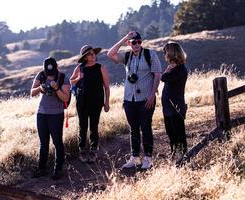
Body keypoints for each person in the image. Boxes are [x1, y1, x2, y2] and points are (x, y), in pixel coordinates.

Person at [107, 31, 162, 169]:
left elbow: (157, 74)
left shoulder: (150, 55)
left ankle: (148, 158)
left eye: (139, 42)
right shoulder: (127, 56)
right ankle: (135, 158)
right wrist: (124, 38)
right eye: (133, 42)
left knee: (146, 127)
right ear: (129, 44)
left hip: (145, 99)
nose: (136, 44)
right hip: (129, 99)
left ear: (141, 42)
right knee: (133, 129)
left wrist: (152, 94)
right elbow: (110, 54)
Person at [30, 57, 70, 180]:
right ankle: (42, 167)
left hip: (56, 114)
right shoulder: (41, 75)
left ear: (57, 67)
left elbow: (65, 99)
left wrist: (57, 88)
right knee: (43, 143)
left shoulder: (63, 78)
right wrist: (40, 88)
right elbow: (32, 92)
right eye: (48, 74)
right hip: (42, 113)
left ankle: (58, 169)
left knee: (57, 142)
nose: (50, 76)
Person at [70, 45, 110, 163]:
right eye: (90, 54)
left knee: (94, 126)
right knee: (82, 126)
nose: (93, 55)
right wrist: (78, 78)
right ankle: (82, 151)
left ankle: (93, 151)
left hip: (97, 102)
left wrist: (107, 102)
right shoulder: (79, 68)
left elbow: (106, 87)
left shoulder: (100, 68)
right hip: (82, 102)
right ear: (85, 57)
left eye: (94, 53)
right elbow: (71, 82)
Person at [161, 42, 188, 160]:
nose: (164, 55)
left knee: (178, 133)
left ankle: (182, 157)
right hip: (168, 108)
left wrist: (166, 70)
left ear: (171, 54)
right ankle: (174, 154)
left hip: (175, 107)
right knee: (170, 132)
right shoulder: (174, 68)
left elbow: (164, 78)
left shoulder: (180, 69)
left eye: (165, 53)